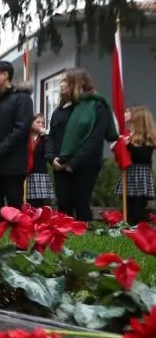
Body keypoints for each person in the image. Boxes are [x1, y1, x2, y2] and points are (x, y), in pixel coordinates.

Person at [46, 68, 116, 224]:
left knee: (80, 202)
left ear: (77, 84)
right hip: (60, 164)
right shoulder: (59, 110)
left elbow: (95, 139)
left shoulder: (96, 106)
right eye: (61, 81)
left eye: (65, 81)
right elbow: (51, 137)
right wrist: (52, 159)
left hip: (86, 165)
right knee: (63, 203)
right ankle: (65, 238)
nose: (61, 84)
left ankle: (85, 236)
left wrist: (74, 163)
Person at [0, 61, 33, 220]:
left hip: (12, 165)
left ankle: (17, 243)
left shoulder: (22, 99)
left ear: (5, 75)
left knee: (14, 207)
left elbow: (20, 130)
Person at [124, 105, 156, 225]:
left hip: (140, 174)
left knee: (137, 207)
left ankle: (142, 230)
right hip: (129, 172)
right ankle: (130, 229)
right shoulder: (128, 134)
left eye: (128, 112)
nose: (125, 113)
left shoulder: (146, 136)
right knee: (128, 205)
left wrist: (129, 145)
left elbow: (144, 156)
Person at [25, 114, 55, 206]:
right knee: (28, 202)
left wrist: (45, 134)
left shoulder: (44, 138)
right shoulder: (26, 138)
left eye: (43, 123)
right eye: (37, 122)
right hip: (28, 173)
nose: (41, 125)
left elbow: (49, 150)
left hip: (40, 174)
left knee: (40, 204)